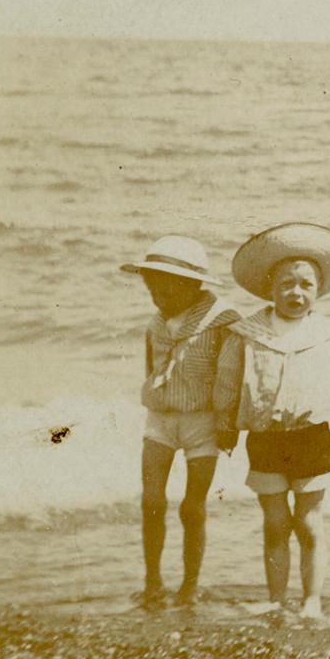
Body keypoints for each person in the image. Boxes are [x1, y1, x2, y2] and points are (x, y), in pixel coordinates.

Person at [214, 223, 330, 620]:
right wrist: (225, 426)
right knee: (276, 522)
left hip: (313, 437)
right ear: (270, 287)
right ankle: (277, 599)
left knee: (309, 522)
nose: (296, 293)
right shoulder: (246, 333)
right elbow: (227, 383)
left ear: (317, 290)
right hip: (264, 437)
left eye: (306, 285)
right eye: (287, 284)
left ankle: (312, 600)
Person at [122, 235, 240, 608]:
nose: (157, 296)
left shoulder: (223, 320)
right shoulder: (156, 322)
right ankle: (153, 581)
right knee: (151, 500)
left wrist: (229, 423)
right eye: (151, 288)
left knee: (192, 506)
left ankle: (190, 584)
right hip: (160, 418)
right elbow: (151, 367)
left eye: (166, 289)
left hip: (203, 420)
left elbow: (231, 375)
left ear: (192, 285)